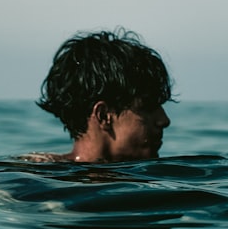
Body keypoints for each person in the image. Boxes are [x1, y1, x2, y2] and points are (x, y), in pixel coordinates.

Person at [26, 28, 174, 163]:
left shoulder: (42, 179)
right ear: (103, 116)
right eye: (148, 107)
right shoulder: (31, 177)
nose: (164, 120)